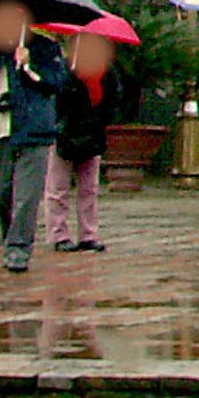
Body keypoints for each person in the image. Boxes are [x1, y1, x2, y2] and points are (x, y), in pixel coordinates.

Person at [0, 1, 71, 274]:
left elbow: (56, 82)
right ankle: (11, 234)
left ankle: (18, 249)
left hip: (32, 132)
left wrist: (29, 68)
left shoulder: (44, 48)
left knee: (26, 196)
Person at [40, 26, 133, 252]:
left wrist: (101, 122)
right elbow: (56, 98)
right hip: (64, 134)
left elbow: (114, 100)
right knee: (58, 188)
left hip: (92, 135)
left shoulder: (107, 73)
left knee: (89, 189)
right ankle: (58, 234)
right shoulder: (65, 69)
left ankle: (88, 234)